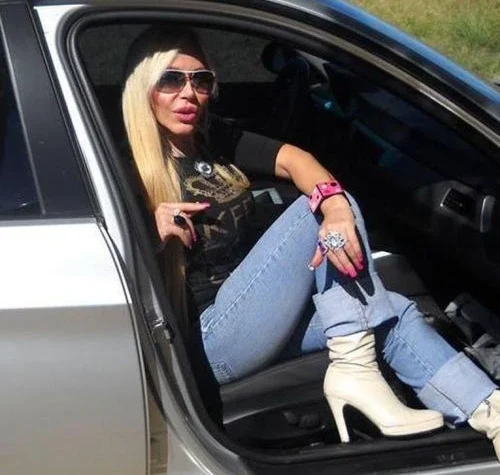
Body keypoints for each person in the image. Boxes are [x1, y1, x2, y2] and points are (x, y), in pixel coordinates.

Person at [121, 25, 500, 454]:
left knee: (388, 310)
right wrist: (147, 231)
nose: (189, 94)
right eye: (171, 80)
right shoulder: (123, 165)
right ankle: (355, 371)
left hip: (256, 312)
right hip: (209, 340)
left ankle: (487, 410)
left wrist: (335, 208)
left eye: (201, 80)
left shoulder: (212, 140)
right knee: (316, 208)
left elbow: (295, 159)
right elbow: (107, 258)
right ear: (144, 87)